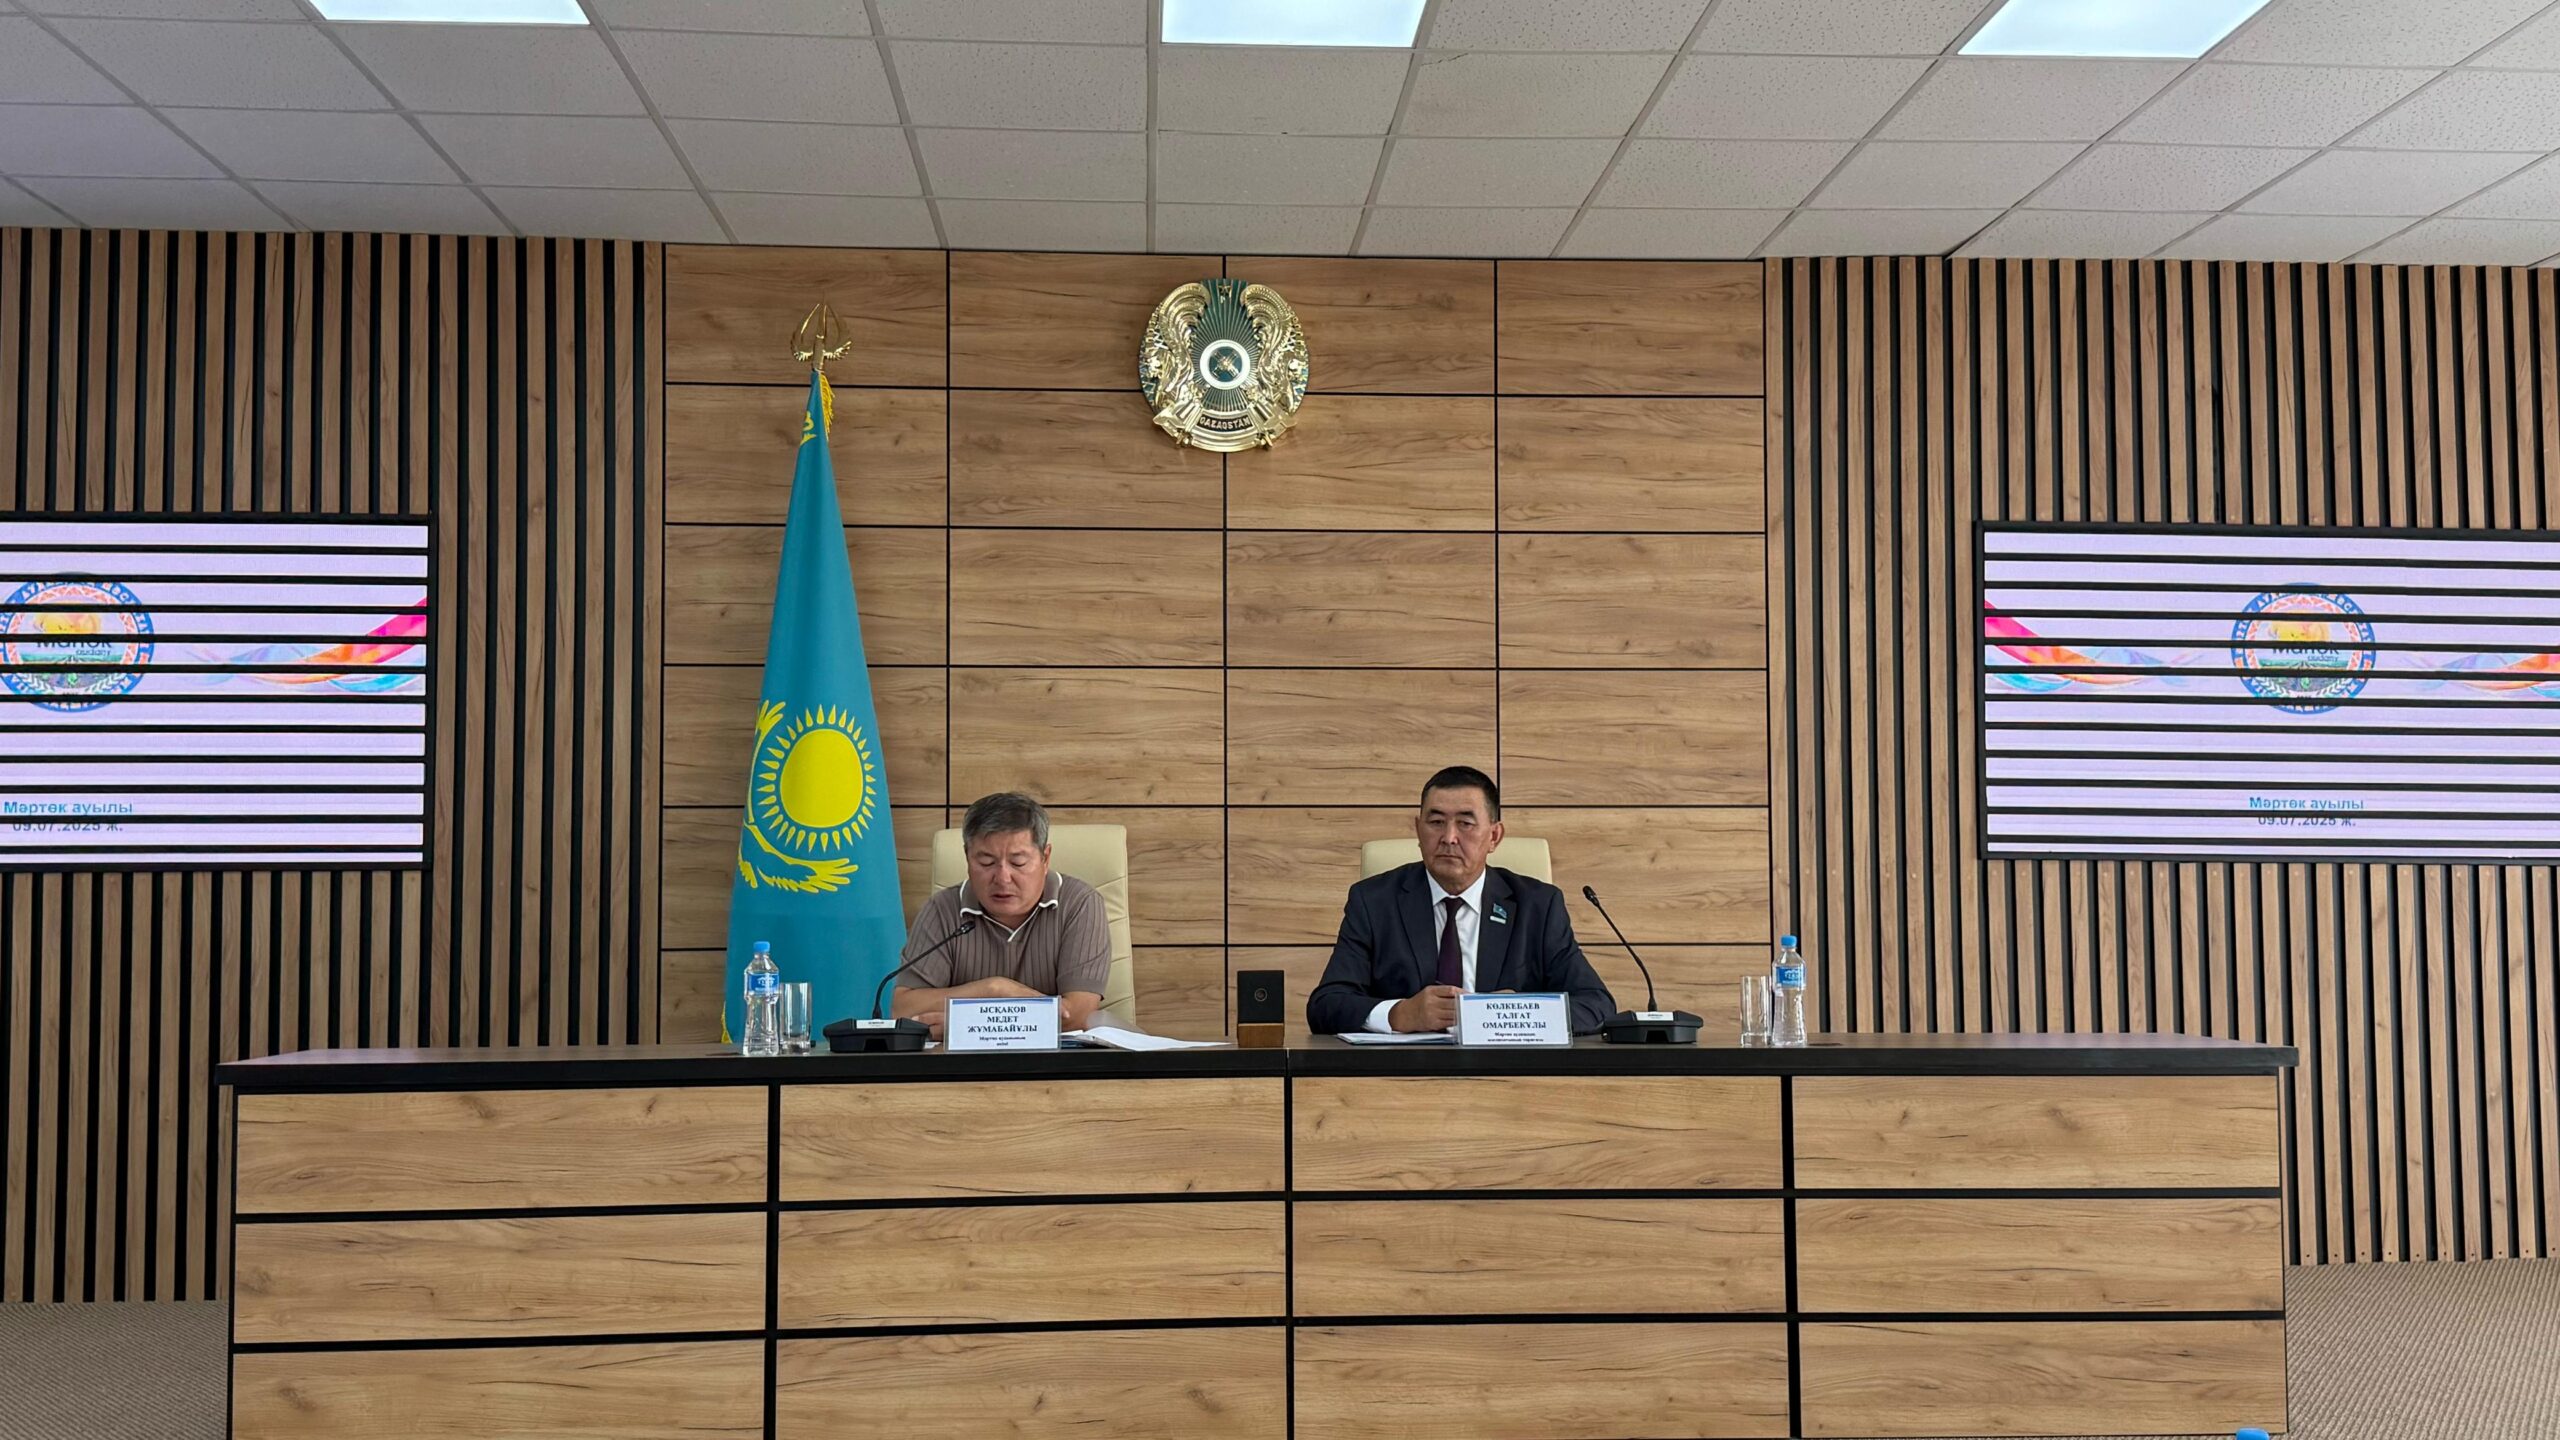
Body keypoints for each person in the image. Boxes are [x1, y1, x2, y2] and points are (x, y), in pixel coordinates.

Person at [1306, 765, 1614, 1035]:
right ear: (1418, 830)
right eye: (1436, 822)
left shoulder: (1538, 906)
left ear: (1494, 836)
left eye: (1465, 823)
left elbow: (1597, 1004)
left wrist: (1520, 1012)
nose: (1449, 837)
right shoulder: (1374, 902)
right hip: (1402, 1075)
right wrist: (1399, 1014)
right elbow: (1326, 1005)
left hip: (1508, 1073)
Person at [891, 791, 1110, 1037]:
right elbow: (902, 1010)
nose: (1003, 878)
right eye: (986, 862)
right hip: (963, 1062)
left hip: (1053, 1060)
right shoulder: (942, 910)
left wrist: (968, 1026)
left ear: (1045, 858)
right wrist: (993, 989)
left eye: (1018, 863)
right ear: (967, 857)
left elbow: (1078, 1015)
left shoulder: (1079, 904)